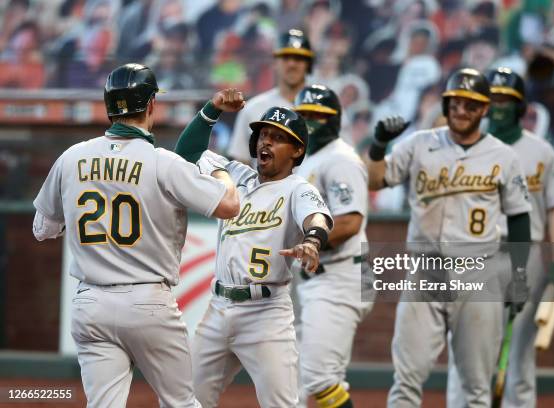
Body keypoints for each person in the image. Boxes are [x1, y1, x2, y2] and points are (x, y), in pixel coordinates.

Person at [32, 63, 242, 407]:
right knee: (181, 403)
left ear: (108, 105)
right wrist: (219, 170)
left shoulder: (72, 157)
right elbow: (229, 205)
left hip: (91, 303)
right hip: (147, 302)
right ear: (151, 106)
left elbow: (43, 229)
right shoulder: (162, 162)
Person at [367, 68, 532, 407]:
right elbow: (374, 180)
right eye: (455, 103)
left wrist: (519, 273)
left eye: (470, 105)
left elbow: (519, 219)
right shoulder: (419, 144)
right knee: (406, 380)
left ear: (484, 109)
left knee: (475, 388)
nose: (460, 110)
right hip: (425, 271)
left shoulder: (504, 156)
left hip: (478, 272)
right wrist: (378, 145)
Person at [175, 103, 333, 407]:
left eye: (277, 137)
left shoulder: (297, 188)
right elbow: (186, 155)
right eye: (263, 134)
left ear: (297, 151)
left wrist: (312, 242)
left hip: (266, 314)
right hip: (218, 308)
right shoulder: (232, 174)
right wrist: (212, 110)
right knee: (184, 399)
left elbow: (319, 218)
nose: (266, 141)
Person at [446, 67, 554, 408]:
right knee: (466, 351)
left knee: (519, 356)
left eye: (507, 100)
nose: (499, 106)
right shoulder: (463, 147)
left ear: (521, 107)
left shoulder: (542, 151)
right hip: (473, 256)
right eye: (493, 99)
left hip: (525, 256)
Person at [292, 84, 372, 408]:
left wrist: (309, 240)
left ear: (335, 120)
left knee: (320, 379)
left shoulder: (340, 159)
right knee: (295, 378)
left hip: (340, 276)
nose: (310, 121)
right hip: (316, 277)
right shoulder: (309, 157)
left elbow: (351, 222)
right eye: (304, 115)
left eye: (318, 116)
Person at [227, 29, 313, 164]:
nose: (292, 64)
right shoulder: (253, 108)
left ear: (308, 64)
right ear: (274, 63)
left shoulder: (324, 108)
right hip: (265, 185)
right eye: (285, 58)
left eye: (298, 58)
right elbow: (241, 163)